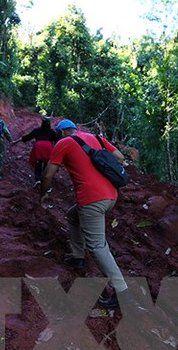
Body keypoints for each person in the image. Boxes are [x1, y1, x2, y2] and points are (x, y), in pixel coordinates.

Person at [40, 119, 128, 308]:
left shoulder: (64, 143)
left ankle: (121, 291)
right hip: (111, 195)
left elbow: (47, 174)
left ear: (62, 132)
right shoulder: (97, 138)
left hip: (92, 200)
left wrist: (43, 194)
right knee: (73, 216)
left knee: (97, 245)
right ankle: (78, 256)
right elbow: (120, 158)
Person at [19, 117, 58, 185]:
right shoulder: (52, 132)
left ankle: (38, 179)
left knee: (38, 163)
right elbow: (57, 142)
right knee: (47, 163)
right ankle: (45, 179)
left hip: (38, 146)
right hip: (48, 147)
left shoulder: (37, 130)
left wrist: (15, 141)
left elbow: (27, 137)